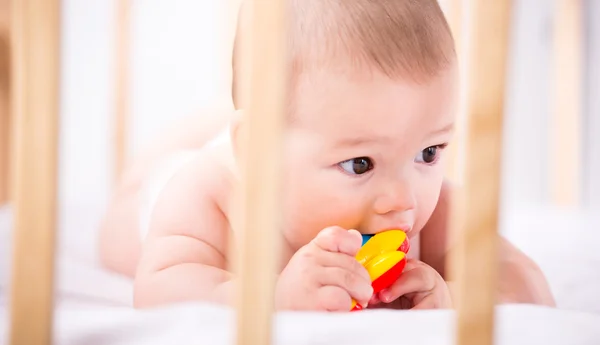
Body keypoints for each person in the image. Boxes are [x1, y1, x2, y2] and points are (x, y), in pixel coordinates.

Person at [99, 0, 556, 310]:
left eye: (429, 152)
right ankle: (195, 133)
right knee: (118, 230)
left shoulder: (428, 210)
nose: (403, 200)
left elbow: (529, 285)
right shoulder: (212, 196)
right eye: (361, 164)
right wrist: (272, 298)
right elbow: (157, 288)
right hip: (175, 181)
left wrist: (453, 296)